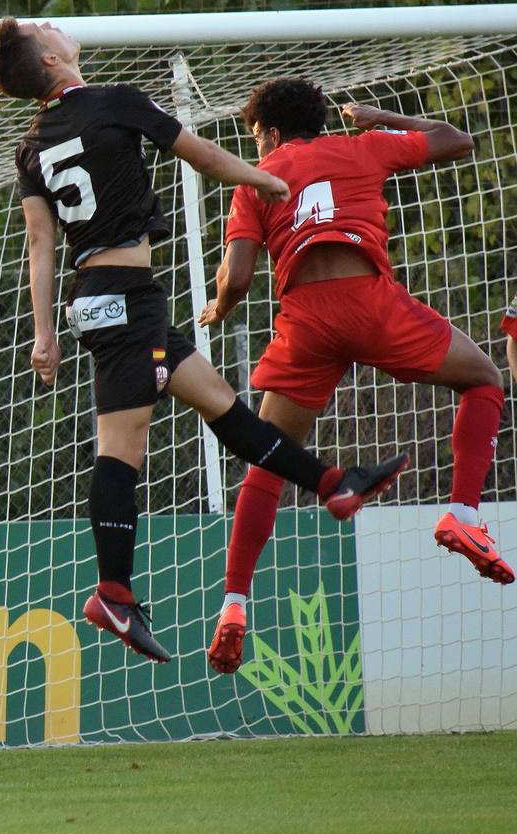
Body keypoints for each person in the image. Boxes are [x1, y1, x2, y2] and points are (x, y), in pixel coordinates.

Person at [0, 19, 408, 665]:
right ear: (49, 56)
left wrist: (45, 332)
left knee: (222, 405)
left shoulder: (31, 145)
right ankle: (112, 593)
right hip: (123, 301)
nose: (56, 26)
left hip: (109, 301)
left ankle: (332, 483)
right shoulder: (116, 101)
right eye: (46, 27)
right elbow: (202, 154)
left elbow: (40, 245)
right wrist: (265, 181)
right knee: (120, 447)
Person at [200, 78, 511, 675]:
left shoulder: (255, 179)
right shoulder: (365, 146)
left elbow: (237, 277)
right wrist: (376, 117)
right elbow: (457, 139)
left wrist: (220, 307)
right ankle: (463, 514)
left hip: (308, 323)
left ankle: (235, 604)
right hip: (373, 307)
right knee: (483, 378)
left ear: (267, 131)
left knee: (269, 458)